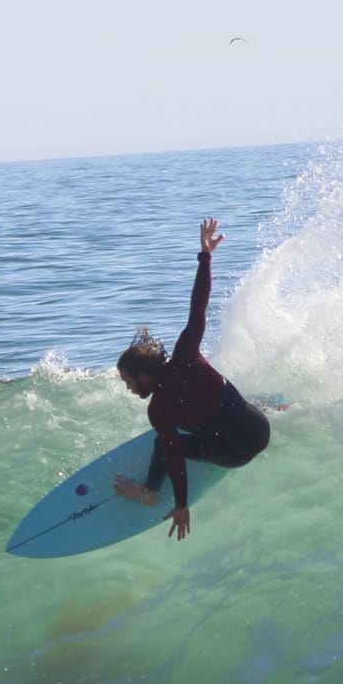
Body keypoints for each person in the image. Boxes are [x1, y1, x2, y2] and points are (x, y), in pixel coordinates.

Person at [112, 217, 270, 540]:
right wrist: (205, 255)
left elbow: (173, 457)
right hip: (260, 431)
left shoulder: (159, 410)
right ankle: (269, 407)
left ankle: (148, 491)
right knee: (225, 402)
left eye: (129, 381)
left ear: (144, 375)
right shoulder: (186, 353)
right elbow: (198, 306)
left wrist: (181, 504)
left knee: (165, 439)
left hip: (235, 455)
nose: (129, 388)